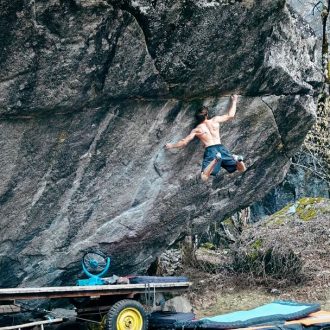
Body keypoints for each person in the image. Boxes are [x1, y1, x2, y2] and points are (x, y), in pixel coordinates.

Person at [165, 95, 246, 182]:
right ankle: (238, 159)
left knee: (204, 177)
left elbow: (184, 142)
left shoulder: (197, 129)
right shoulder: (215, 120)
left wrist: (171, 145)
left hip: (210, 150)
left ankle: (215, 160)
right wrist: (234, 100)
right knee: (242, 169)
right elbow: (230, 115)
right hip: (221, 147)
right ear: (206, 115)